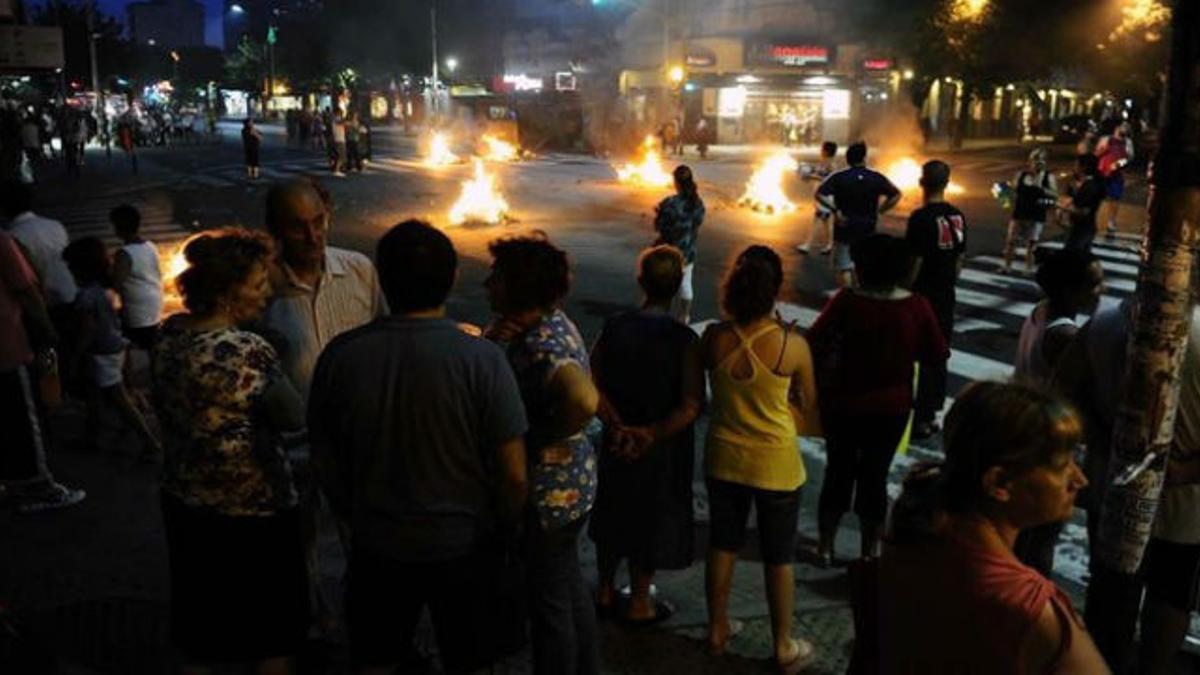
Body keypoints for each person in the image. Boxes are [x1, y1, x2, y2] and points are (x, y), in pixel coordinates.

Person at [309, 220, 529, 674]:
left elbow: (325, 460)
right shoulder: (483, 361)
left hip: (377, 545)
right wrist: (503, 528)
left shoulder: (340, 357)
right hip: (463, 547)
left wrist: (355, 515)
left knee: (376, 658)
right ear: (451, 279)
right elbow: (513, 474)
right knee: (467, 659)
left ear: (383, 280)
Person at [152, 230, 309, 672]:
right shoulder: (246, 351)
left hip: (185, 499)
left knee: (205, 628)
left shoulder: (169, 333)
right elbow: (293, 415)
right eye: (258, 283)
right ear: (225, 292)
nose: (267, 291)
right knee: (273, 630)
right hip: (253, 509)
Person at [875, 382, 1107, 674]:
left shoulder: (912, 524)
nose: (1080, 479)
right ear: (999, 483)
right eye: (1062, 466)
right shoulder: (1031, 611)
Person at [484, 234, 600, 675]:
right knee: (567, 585)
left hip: (549, 493)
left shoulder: (541, 345)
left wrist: (538, 437)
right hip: (575, 487)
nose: (486, 285)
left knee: (548, 605)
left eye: (495, 277)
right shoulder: (548, 322)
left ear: (516, 287)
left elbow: (583, 399)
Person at [700, 245, 820, 672]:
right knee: (778, 556)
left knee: (723, 544)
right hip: (776, 465)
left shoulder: (713, 337)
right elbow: (809, 407)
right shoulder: (793, 345)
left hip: (724, 458)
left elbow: (702, 395)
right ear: (774, 293)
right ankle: (783, 645)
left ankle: (716, 629)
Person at [807, 234, 949, 562]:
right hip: (891, 407)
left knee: (838, 472)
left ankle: (825, 545)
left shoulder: (847, 300)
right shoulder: (916, 306)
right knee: (875, 475)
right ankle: (870, 550)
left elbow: (815, 339)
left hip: (842, 402)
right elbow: (937, 353)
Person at [589, 245, 704, 625]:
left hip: (617, 442)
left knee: (613, 507)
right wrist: (649, 434)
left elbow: (593, 381)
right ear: (676, 288)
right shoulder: (684, 340)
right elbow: (690, 404)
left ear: (640, 281)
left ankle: (604, 589)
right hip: (659, 450)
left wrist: (618, 426)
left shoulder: (616, 326)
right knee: (649, 518)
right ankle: (640, 602)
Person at [1011, 247, 1103, 576]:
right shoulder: (1065, 336)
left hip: (1028, 434)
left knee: (1027, 535)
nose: (1099, 291)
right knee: (1039, 540)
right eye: (1093, 284)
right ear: (1071, 290)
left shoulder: (1040, 312)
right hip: (1047, 444)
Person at [260, 179, 386, 398]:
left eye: (319, 222)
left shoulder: (359, 270)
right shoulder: (259, 289)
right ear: (275, 229)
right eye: (297, 228)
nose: (313, 237)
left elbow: (385, 336)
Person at [0, 228, 85, 513]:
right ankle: (36, 487)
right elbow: (26, 290)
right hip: (7, 346)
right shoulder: (2, 240)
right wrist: (49, 333)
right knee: (19, 420)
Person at [62, 237, 160, 458]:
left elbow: (87, 331)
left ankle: (150, 443)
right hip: (116, 346)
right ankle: (92, 436)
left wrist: (75, 356)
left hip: (101, 352)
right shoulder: (106, 291)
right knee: (94, 395)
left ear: (80, 269)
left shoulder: (86, 296)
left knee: (119, 398)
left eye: (71, 267)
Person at [904, 160, 966, 439]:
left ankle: (914, 416)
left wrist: (904, 290)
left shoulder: (920, 218)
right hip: (945, 295)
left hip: (922, 296)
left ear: (922, 182)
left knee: (911, 356)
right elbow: (959, 260)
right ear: (947, 182)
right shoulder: (957, 217)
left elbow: (914, 261)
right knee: (938, 355)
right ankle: (930, 414)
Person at [816, 141, 902, 287]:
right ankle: (862, 293)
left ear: (848, 159)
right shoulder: (875, 177)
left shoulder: (839, 177)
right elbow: (896, 195)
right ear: (864, 158)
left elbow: (819, 194)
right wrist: (881, 211)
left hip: (845, 227)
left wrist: (835, 210)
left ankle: (849, 296)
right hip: (868, 228)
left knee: (844, 267)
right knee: (863, 263)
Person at [653, 165, 705, 324]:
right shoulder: (697, 204)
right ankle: (684, 317)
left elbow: (660, 226)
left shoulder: (670, 203)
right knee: (685, 284)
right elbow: (697, 225)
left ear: (676, 182)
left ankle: (660, 314)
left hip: (668, 251)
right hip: (687, 251)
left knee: (663, 283)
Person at [110, 204, 163, 352]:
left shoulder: (124, 253)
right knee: (152, 346)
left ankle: (132, 374)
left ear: (117, 227)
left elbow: (116, 283)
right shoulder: (150, 246)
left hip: (137, 309)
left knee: (132, 347)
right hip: (154, 303)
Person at [1002, 148, 1058, 274]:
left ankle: (1028, 268)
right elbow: (1013, 190)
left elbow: (1054, 194)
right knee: (1011, 241)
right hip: (1019, 212)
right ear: (1030, 161)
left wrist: (1041, 187)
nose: (1037, 164)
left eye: (1041, 161)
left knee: (1031, 244)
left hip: (1036, 213)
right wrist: (1005, 197)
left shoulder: (1048, 177)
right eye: (1035, 160)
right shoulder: (1021, 175)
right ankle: (1007, 266)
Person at [796, 141, 839, 256]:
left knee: (818, 220)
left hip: (825, 197)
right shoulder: (825, 163)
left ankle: (808, 245)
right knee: (828, 222)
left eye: (822, 149)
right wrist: (807, 173)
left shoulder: (831, 165)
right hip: (823, 197)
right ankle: (830, 245)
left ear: (825, 151)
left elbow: (827, 179)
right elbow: (818, 174)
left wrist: (811, 175)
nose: (820, 151)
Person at [1095, 120, 1133, 238]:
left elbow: (1129, 157)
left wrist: (1118, 164)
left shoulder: (1127, 142)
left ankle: (1111, 221)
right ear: (1117, 127)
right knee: (1096, 195)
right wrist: (1102, 150)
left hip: (1117, 173)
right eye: (1124, 126)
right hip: (1102, 171)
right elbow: (1096, 153)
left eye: (1127, 127)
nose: (1126, 129)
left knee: (1115, 198)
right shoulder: (1106, 139)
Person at [1062, 154, 1106, 252]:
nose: (1074, 168)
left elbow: (1084, 211)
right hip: (1085, 227)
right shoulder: (1089, 184)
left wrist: (1064, 207)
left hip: (1082, 229)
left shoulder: (1090, 187)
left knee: (1073, 256)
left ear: (1083, 167)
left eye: (1076, 165)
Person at [329, 110, 347, 177]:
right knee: (341, 156)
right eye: (341, 114)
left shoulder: (334, 119)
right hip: (339, 140)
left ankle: (336, 169)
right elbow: (342, 123)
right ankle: (337, 170)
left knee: (338, 155)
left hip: (339, 139)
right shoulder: (336, 119)